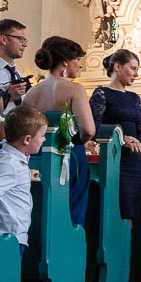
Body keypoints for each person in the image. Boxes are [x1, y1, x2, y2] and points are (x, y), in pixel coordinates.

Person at [0, 105, 47, 282]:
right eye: (42, 136)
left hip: (13, 237)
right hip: (8, 238)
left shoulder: (13, 161)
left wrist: (26, 174)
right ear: (27, 140)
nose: (44, 139)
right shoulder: (8, 164)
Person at [23, 36, 96, 226]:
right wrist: (77, 140)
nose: (79, 65)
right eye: (77, 60)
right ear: (65, 62)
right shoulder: (75, 89)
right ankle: (67, 247)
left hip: (37, 157)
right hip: (69, 156)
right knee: (70, 212)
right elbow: (88, 129)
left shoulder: (31, 93)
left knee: (42, 206)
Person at [89, 49, 141, 223]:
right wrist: (122, 140)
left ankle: (128, 248)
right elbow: (94, 129)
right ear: (117, 66)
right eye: (133, 68)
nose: (136, 74)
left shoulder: (134, 98)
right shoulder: (101, 94)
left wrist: (137, 140)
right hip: (114, 158)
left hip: (134, 161)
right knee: (117, 211)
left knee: (133, 215)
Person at [0, 19, 30, 114]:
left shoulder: (19, 75)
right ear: (3, 39)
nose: (25, 44)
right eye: (20, 39)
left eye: (25, 40)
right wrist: (9, 97)